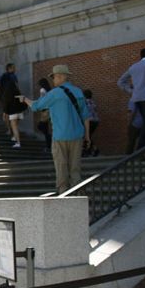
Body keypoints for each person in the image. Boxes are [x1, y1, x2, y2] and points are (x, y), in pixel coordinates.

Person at [21, 65, 90, 194]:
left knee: (61, 166)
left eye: (54, 77)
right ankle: (78, 195)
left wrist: (25, 99)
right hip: (77, 135)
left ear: (60, 76)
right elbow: (86, 116)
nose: (53, 80)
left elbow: (36, 106)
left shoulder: (55, 93)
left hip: (60, 136)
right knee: (75, 168)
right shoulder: (78, 92)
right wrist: (87, 136)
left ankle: (63, 193)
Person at [0, 63, 27, 148]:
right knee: (15, 122)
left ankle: (12, 133)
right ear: (9, 68)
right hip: (16, 103)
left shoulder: (4, 77)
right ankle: (14, 135)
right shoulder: (12, 76)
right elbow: (17, 86)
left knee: (12, 121)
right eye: (13, 68)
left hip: (9, 102)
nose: (15, 69)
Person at [36, 78, 53, 151]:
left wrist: (38, 105)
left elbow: (42, 99)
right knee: (45, 128)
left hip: (45, 110)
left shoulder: (42, 90)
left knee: (41, 126)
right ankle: (49, 145)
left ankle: (50, 142)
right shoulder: (50, 90)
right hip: (49, 109)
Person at [83, 90, 100, 156]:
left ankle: (88, 150)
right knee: (88, 136)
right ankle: (92, 150)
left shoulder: (84, 102)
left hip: (89, 121)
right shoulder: (92, 102)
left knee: (86, 136)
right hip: (95, 121)